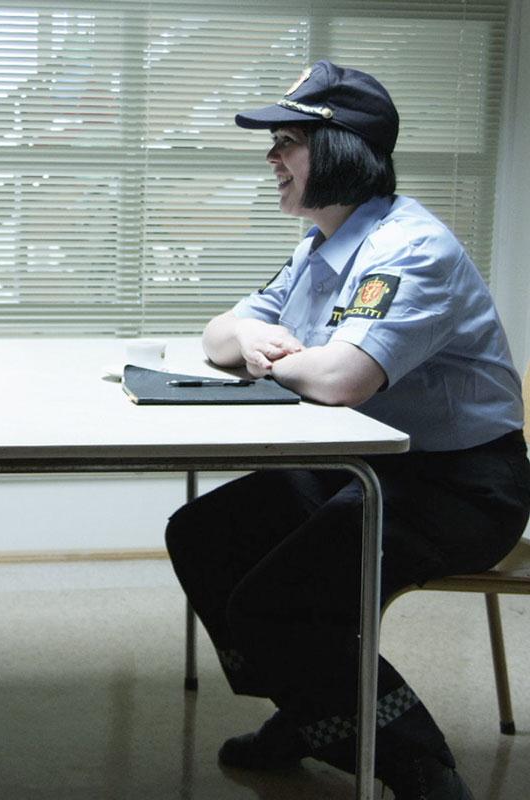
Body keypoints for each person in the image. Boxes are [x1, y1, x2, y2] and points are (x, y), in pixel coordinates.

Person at [164, 60, 530, 800]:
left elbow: (341, 380)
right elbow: (218, 334)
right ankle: (312, 712)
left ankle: (421, 767)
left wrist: (268, 358)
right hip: (365, 465)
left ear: (338, 151)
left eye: (288, 142)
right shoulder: (320, 246)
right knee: (202, 534)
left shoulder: (409, 248)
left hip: (461, 485)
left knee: (280, 598)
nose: (271, 158)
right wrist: (253, 339)